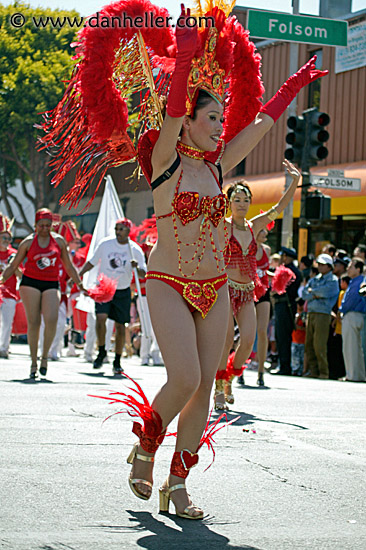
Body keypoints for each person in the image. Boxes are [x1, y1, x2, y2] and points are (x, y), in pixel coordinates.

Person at [40, 1, 327, 519]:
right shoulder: (163, 159)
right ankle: (146, 448)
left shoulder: (218, 167)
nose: (220, 125)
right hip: (169, 281)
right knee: (187, 379)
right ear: (189, 120)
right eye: (211, 117)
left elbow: (260, 124)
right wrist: (188, 56)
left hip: (214, 286)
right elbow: (173, 110)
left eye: (221, 117)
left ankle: (178, 483)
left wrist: (295, 86)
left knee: (203, 390)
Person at [0, 208, 86, 378]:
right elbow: (13, 264)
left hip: (51, 283)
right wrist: (2, 279)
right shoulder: (28, 242)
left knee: (52, 319)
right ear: (35, 225)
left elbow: (68, 266)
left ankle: (44, 356)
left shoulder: (59, 242)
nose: (45, 228)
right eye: (42, 225)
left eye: (48, 225)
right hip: (30, 282)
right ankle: (33, 361)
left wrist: (80, 283)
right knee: (34, 322)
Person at [79, 218, 146, 375]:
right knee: (100, 319)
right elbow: (92, 262)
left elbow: (143, 272)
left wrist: (136, 267)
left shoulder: (134, 249)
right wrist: (80, 274)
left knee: (120, 326)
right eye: (116, 228)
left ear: (128, 231)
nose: (118, 232)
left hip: (122, 290)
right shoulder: (106, 244)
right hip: (104, 287)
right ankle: (101, 351)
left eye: (121, 229)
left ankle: (117, 360)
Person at [301, 253, 339, 379]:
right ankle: (314, 371)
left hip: (323, 314)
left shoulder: (333, 280)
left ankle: (324, 372)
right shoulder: (314, 279)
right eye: (319, 264)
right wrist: (317, 294)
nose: (320, 267)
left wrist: (314, 292)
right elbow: (304, 294)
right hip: (311, 313)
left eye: (323, 265)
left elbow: (327, 292)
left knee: (319, 344)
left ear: (329, 267)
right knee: (309, 344)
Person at [271, 247, 302, 375]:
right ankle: (283, 364)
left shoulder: (289, 271)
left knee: (283, 337)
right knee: (281, 336)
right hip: (282, 305)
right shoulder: (292, 270)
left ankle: (285, 366)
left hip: (285, 305)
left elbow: (283, 290)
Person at [339, 258, 366, 382]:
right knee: (355, 347)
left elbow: (351, 300)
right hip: (356, 315)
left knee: (351, 347)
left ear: (358, 269)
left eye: (351, 267)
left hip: (353, 314)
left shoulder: (359, 281)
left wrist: (341, 309)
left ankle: (352, 375)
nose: (348, 269)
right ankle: (357, 374)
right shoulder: (356, 281)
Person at [0, 215, 21, 358]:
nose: (6, 241)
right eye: (3, 238)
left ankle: (4, 348)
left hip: (10, 293)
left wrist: (13, 266)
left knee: (7, 323)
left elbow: (20, 274)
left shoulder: (14, 254)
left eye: (9, 239)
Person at [291, 297, 306, 376]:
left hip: (302, 340)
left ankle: (300, 370)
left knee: (301, 357)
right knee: (294, 357)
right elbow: (295, 325)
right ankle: (294, 370)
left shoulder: (304, 316)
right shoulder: (296, 315)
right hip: (295, 339)